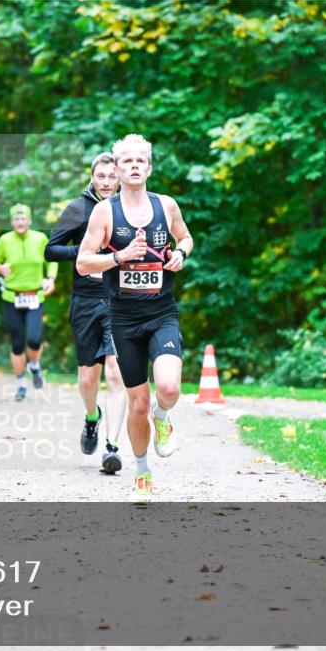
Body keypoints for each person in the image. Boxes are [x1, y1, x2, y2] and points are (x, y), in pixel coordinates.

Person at [76, 134, 194, 503]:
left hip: (161, 312)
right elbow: (83, 263)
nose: (134, 166)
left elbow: (186, 238)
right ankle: (142, 473)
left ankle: (164, 415)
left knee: (169, 388)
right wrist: (120, 256)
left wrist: (180, 254)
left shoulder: (167, 205)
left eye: (140, 160)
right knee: (136, 403)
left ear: (150, 167)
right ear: (117, 168)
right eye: (126, 161)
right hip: (123, 319)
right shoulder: (105, 212)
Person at [46, 152, 126, 474]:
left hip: (120, 300)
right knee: (88, 376)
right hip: (86, 300)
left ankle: (112, 447)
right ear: (93, 177)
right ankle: (92, 417)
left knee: (116, 372)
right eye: (101, 176)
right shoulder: (78, 209)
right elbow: (50, 250)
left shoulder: (129, 209)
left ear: (120, 178)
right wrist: (84, 252)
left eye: (112, 176)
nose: (107, 182)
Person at [0, 204, 57, 402]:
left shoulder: (40, 238)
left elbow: (51, 260)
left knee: (35, 339)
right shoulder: (5, 240)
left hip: (35, 296)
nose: (20, 222)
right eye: (16, 219)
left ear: (29, 221)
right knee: (17, 343)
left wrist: (51, 278)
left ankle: (34, 365)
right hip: (12, 297)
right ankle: (20, 384)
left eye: (23, 219)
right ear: (12, 222)